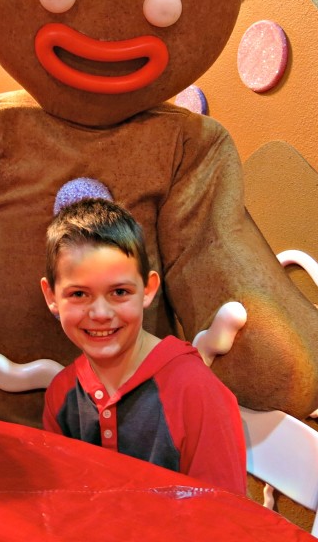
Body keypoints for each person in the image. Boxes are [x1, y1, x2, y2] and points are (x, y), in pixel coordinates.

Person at [40, 197, 247, 494]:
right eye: (79, 294)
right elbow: (61, 502)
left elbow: (226, 514)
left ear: (147, 290)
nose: (100, 313)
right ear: (51, 296)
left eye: (119, 292)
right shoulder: (61, 394)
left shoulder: (195, 392)